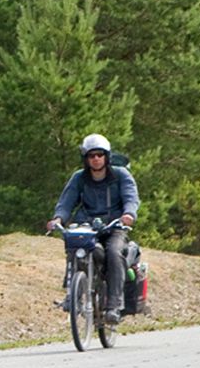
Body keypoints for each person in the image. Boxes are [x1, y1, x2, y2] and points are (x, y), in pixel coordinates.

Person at [46, 133, 140, 326]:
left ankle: (114, 305)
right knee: (74, 247)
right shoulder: (79, 178)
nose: (96, 159)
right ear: (85, 159)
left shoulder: (121, 175)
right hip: (87, 226)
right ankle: (72, 295)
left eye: (99, 154)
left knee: (114, 252)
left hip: (115, 226)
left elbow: (131, 197)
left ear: (107, 156)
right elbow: (66, 202)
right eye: (91, 156)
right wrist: (58, 218)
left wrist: (128, 214)